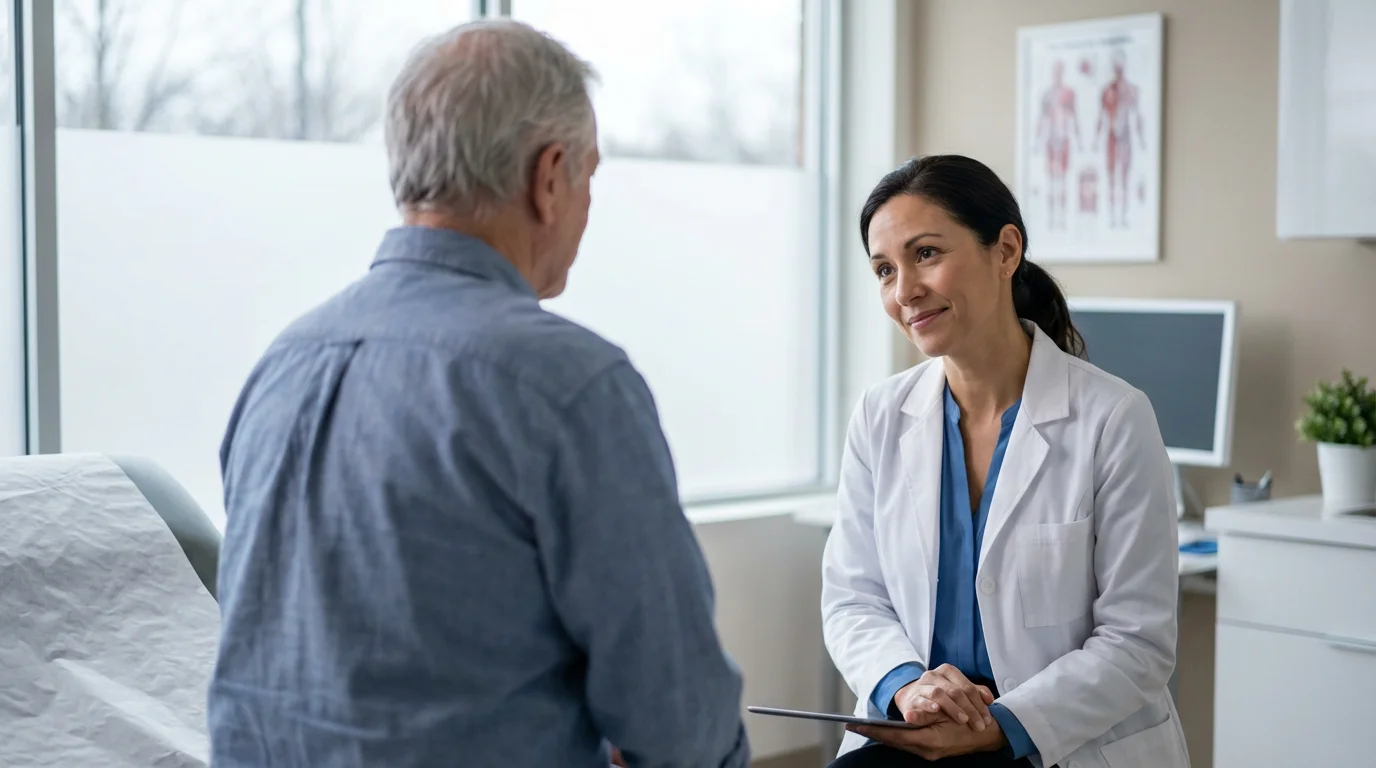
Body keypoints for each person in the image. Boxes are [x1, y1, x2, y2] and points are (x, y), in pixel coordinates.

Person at [208, 20, 750, 768]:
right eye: (590, 176)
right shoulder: (570, 385)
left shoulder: (281, 364)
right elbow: (680, 724)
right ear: (550, 175)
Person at [820, 156, 1187, 767]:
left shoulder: (1114, 418)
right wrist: (907, 685)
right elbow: (853, 599)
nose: (904, 290)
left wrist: (997, 725)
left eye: (927, 254)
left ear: (1006, 250)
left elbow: (1137, 642)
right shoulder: (880, 415)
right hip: (916, 731)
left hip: (1052, 741)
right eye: (885, 269)